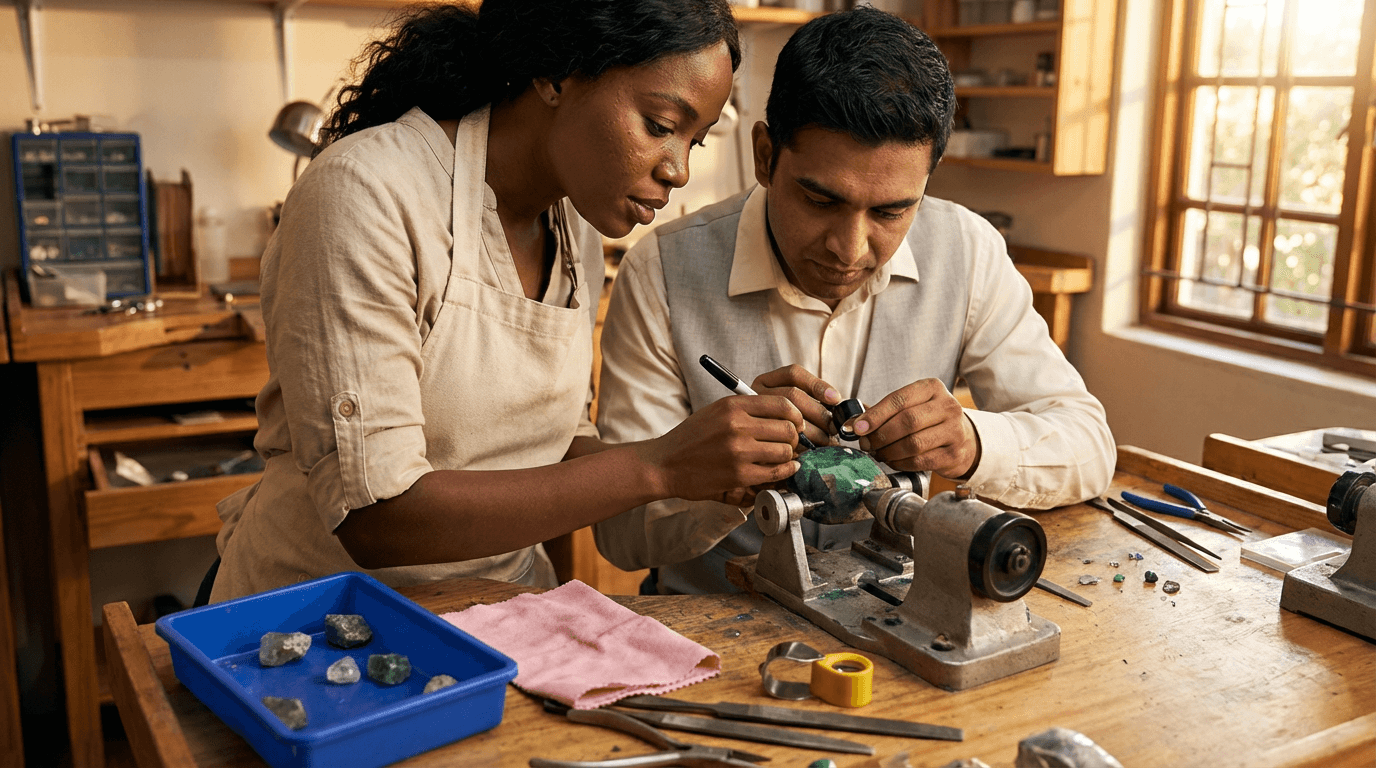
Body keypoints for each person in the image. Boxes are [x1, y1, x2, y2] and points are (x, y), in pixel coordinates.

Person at [209, 0, 814, 603]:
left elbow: (552, 444)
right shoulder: (366, 193)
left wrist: (711, 468)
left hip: (503, 609)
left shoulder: (572, 226)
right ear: (555, 74)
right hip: (322, 618)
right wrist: (658, 466)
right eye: (660, 125)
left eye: (695, 141)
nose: (678, 171)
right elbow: (376, 516)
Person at [592, 6, 1116, 595]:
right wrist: (722, 480)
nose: (850, 248)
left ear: (927, 178)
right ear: (765, 156)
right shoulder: (663, 270)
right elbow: (620, 537)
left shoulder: (967, 252)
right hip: (712, 617)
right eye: (821, 201)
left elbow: (1090, 447)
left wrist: (971, 442)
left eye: (891, 211)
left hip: (899, 610)